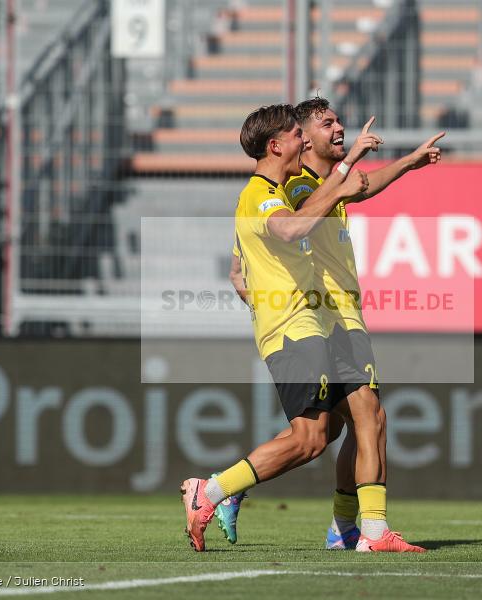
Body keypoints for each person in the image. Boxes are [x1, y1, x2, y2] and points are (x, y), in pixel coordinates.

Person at [221, 97, 444, 552]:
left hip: (338, 312)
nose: (337, 128)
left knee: (351, 426)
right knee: (345, 425)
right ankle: (359, 527)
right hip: (324, 316)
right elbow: (283, 225)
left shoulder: (322, 182)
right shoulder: (300, 186)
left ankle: (345, 528)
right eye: (324, 124)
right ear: (297, 142)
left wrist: (407, 162)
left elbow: (360, 186)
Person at [179, 103, 378, 552]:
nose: (302, 142)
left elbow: (250, 248)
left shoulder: (275, 189)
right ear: (276, 145)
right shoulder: (260, 193)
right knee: (312, 438)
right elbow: (289, 229)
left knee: (334, 429)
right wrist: (343, 178)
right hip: (290, 325)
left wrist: (237, 266)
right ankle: (211, 491)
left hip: (307, 321)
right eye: (296, 135)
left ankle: (349, 529)